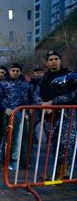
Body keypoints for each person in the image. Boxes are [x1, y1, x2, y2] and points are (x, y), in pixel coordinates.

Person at [0, 63, 42, 170]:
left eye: (17, 70)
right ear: (10, 71)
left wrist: (31, 107)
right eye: (13, 70)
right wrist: (4, 108)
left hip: (24, 115)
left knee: (24, 138)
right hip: (8, 115)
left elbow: (33, 98)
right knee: (7, 137)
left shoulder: (26, 84)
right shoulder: (3, 84)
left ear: (20, 72)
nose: (15, 72)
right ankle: (5, 160)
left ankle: (23, 160)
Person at [40, 50, 76, 178]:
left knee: (65, 144)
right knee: (54, 144)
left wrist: (52, 102)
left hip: (67, 115)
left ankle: (64, 172)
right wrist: (43, 105)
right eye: (51, 59)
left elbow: (72, 94)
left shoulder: (69, 76)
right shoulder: (44, 78)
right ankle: (58, 172)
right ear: (47, 63)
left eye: (56, 58)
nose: (53, 61)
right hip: (50, 117)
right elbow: (39, 95)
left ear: (60, 61)